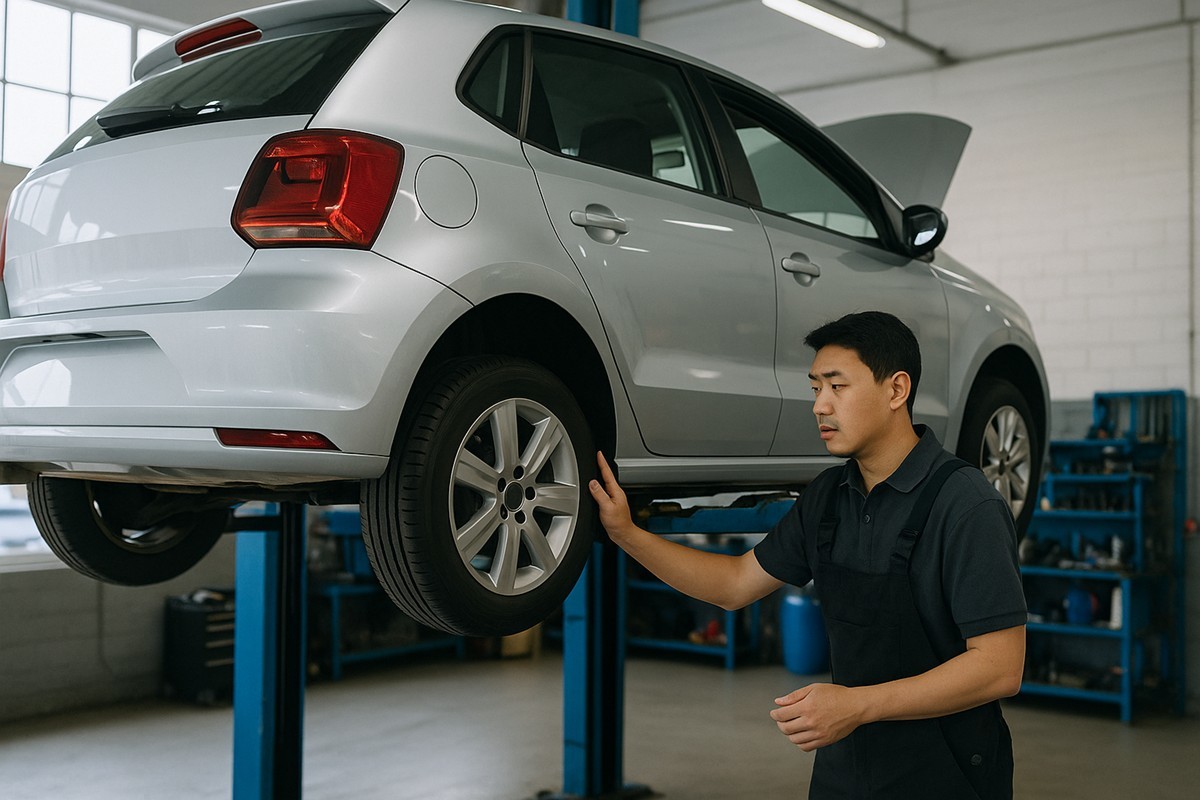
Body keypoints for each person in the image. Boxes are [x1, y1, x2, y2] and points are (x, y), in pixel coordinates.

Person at [589, 311, 1026, 799]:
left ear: (896, 390)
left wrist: (858, 705)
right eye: (815, 388)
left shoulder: (967, 505)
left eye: (837, 387)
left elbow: (999, 667)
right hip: (849, 768)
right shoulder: (827, 498)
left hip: (948, 775)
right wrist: (627, 534)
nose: (820, 405)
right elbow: (735, 583)